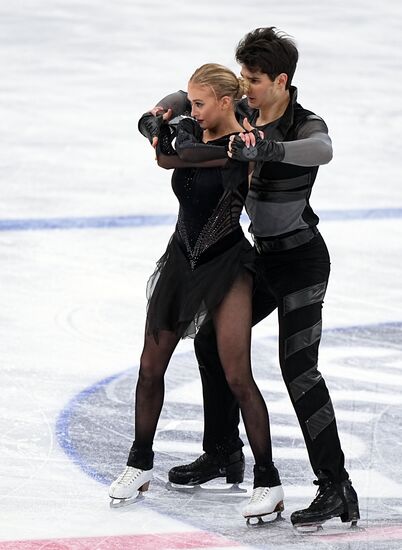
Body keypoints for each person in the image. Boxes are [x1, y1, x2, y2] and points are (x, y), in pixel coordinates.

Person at [138, 28, 360, 529]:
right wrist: (157, 116)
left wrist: (269, 151)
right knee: (211, 339)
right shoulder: (244, 110)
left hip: (302, 263)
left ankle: (335, 485)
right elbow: (183, 94)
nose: (245, 87)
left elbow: (322, 150)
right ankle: (222, 453)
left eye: (254, 80)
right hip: (260, 258)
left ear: (281, 80)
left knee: (298, 370)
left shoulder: (305, 124)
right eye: (241, 78)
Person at [109, 63, 285, 521]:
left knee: (237, 376)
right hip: (180, 261)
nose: (194, 110)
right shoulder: (198, 127)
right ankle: (138, 464)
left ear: (227, 103)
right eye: (192, 103)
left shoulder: (242, 143)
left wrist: (173, 137)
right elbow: (168, 155)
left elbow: (180, 156)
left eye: (201, 103)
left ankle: (268, 480)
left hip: (227, 266)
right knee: (150, 367)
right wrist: (158, 117)